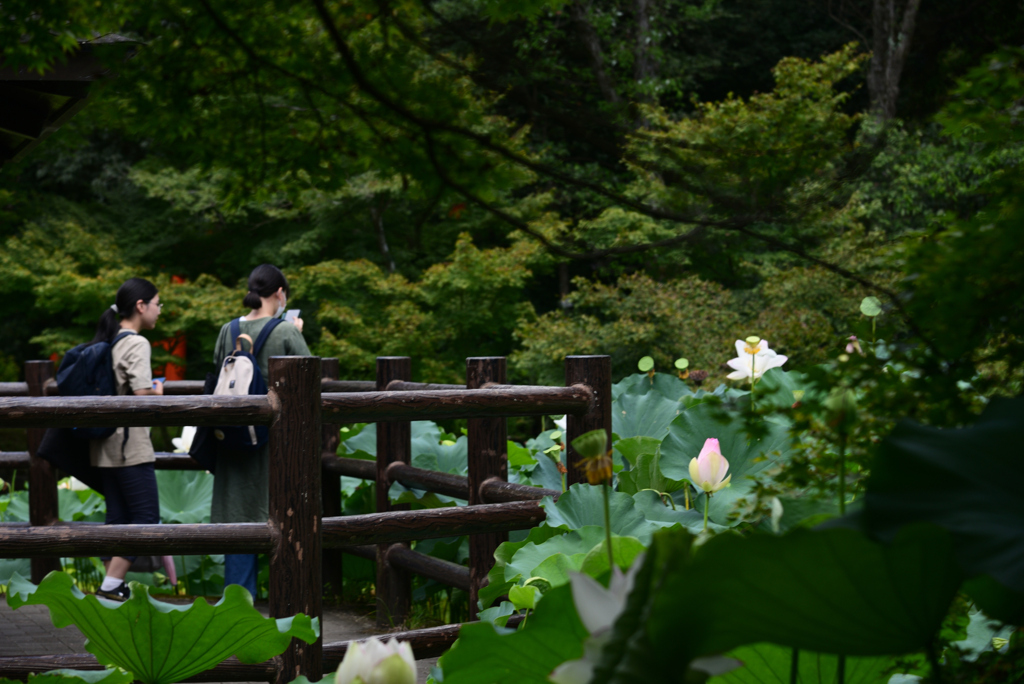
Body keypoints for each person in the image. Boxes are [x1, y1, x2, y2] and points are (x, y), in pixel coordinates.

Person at [211, 264, 309, 596]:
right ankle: (288, 603)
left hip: (233, 437)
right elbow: (308, 379)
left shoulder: (228, 330)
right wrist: (296, 330)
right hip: (274, 445)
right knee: (282, 519)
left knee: (238, 519)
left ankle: (237, 608)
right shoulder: (285, 331)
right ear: (280, 294)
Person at [91, 277, 164, 601]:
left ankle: (112, 586)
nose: (159, 311)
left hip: (104, 445)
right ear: (140, 306)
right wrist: (159, 393)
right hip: (129, 446)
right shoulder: (136, 343)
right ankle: (108, 588)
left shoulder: (110, 340)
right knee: (147, 519)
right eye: (157, 304)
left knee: (117, 520)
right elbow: (142, 397)